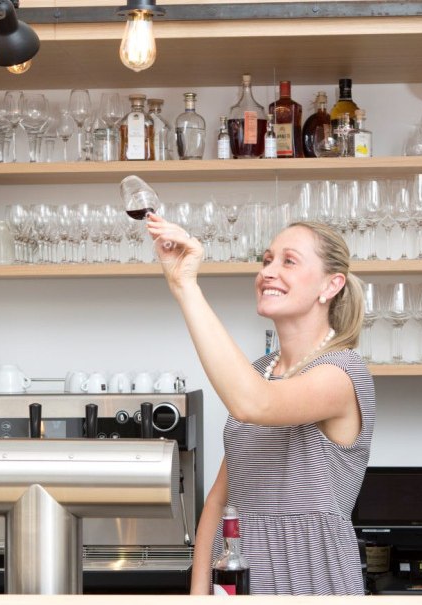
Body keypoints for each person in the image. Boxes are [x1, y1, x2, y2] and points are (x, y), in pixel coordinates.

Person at [146, 215, 376, 595]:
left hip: (310, 580)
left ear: (330, 285)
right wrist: (199, 594)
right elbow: (220, 501)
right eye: (266, 260)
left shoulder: (342, 372)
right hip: (239, 576)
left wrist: (186, 287)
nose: (268, 271)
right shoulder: (257, 372)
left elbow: (254, 403)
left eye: (288, 261)